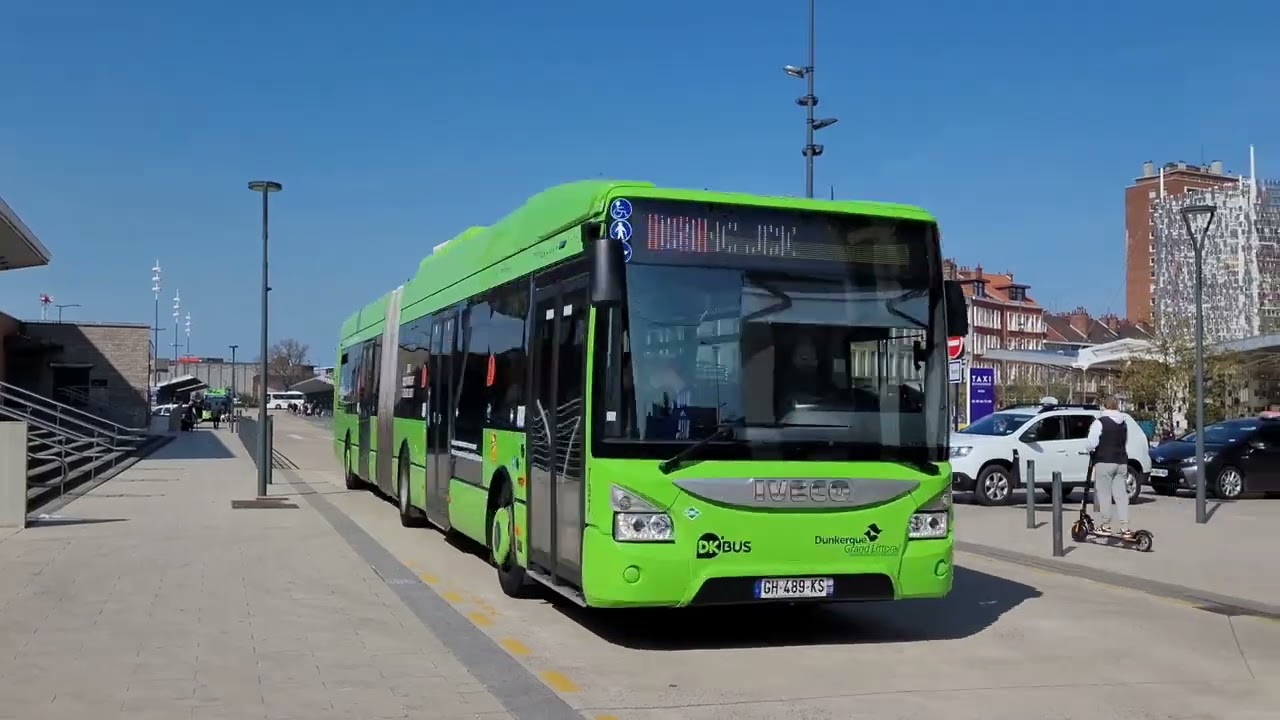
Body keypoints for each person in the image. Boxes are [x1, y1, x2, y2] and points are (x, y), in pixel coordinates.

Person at [1085, 397, 1135, 538]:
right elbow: (1125, 441)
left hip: (1105, 461)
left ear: (1104, 407)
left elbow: (1091, 442)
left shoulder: (1100, 422)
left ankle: (1105, 525)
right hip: (1121, 462)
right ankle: (1125, 526)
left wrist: (1088, 449)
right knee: (1121, 495)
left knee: (1104, 494)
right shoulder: (1123, 423)